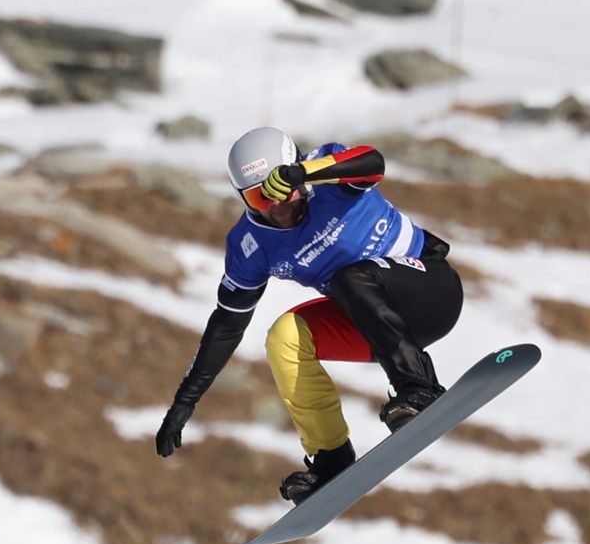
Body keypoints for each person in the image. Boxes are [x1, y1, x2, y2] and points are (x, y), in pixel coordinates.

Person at [152, 127, 463, 502]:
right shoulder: (249, 245)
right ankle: (331, 456)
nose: (277, 205)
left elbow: (373, 163)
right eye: (258, 197)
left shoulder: (328, 175)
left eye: (280, 189)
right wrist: (186, 400)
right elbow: (227, 324)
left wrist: (307, 173)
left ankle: (420, 388)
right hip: (374, 327)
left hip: (432, 294)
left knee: (349, 278)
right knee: (283, 337)